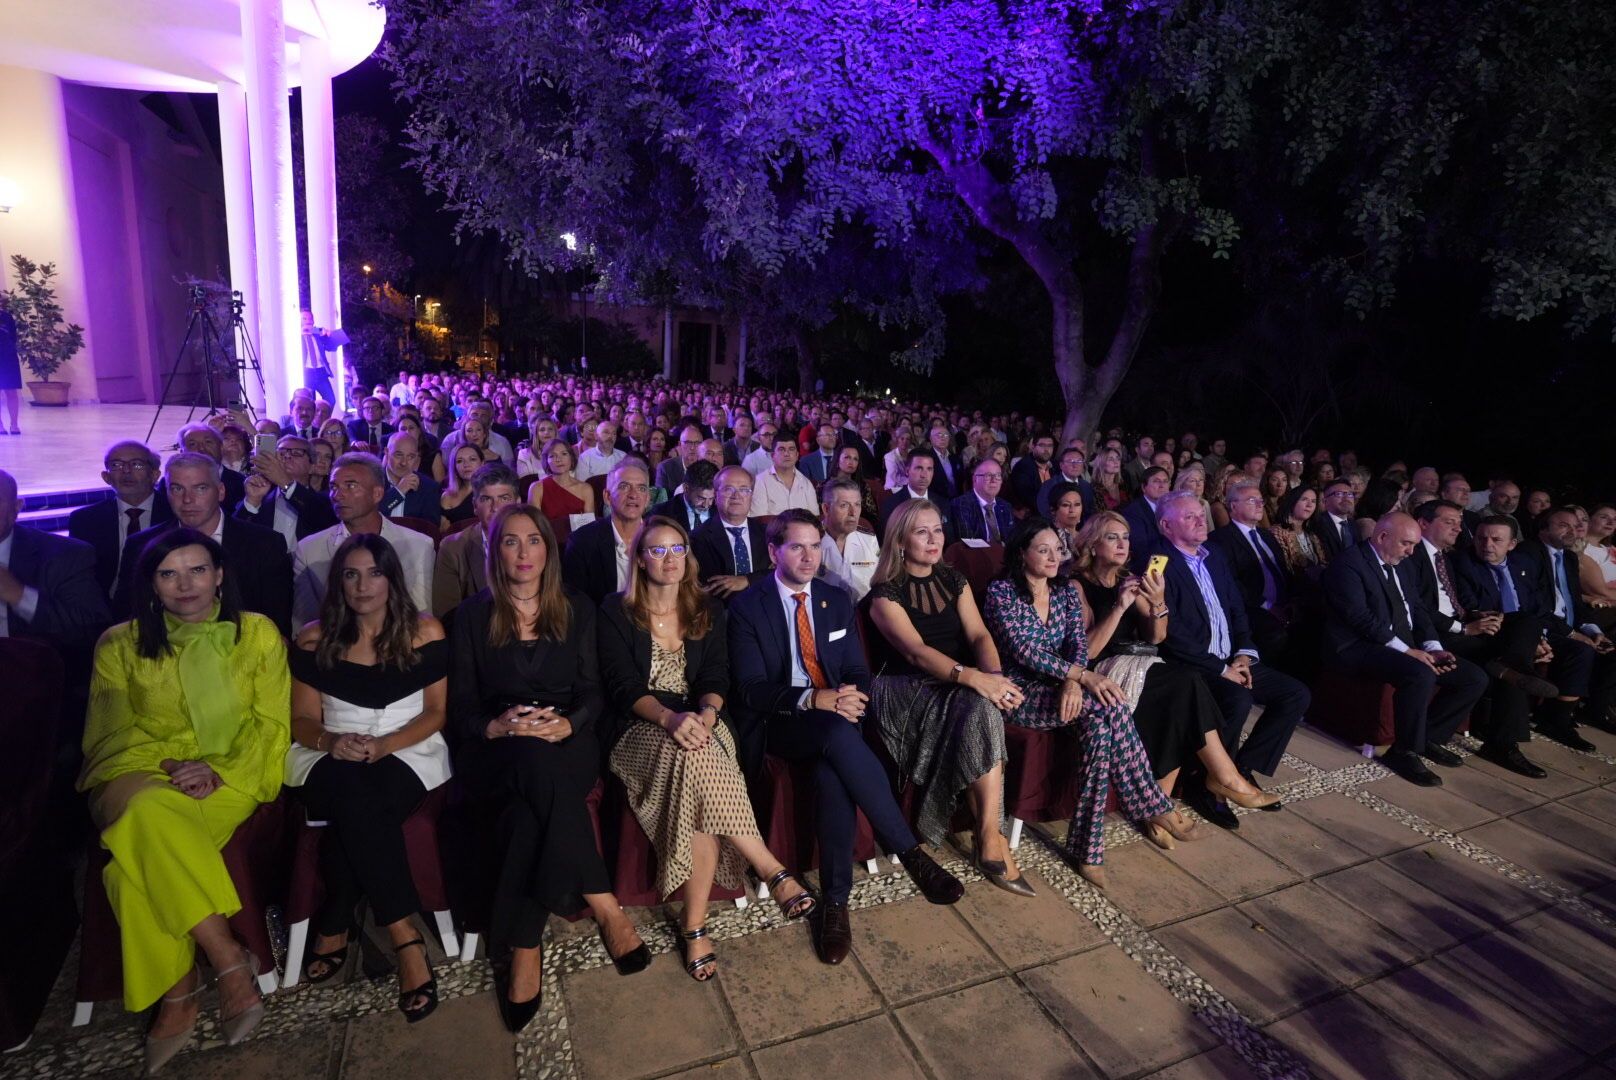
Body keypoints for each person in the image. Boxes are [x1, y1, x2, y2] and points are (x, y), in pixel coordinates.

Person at [79, 530, 286, 1071]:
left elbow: (271, 725)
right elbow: (109, 735)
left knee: (129, 868)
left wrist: (216, 769)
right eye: (168, 574)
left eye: (197, 570)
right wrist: (173, 765)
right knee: (147, 808)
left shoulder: (256, 633)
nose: (184, 584)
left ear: (219, 575)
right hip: (136, 774)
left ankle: (178, 992)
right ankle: (228, 956)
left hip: (230, 775)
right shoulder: (118, 644)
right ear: (151, 584)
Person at [728, 510, 964, 964]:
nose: (809, 556)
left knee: (832, 772)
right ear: (773, 552)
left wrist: (851, 698)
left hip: (835, 717)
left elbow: (856, 668)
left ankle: (835, 905)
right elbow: (751, 689)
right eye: (797, 547)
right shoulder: (747, 607)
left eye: (815, 546)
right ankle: (910, 853)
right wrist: (815, 699)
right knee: (836, 735)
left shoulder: (835, 600)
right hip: (779, 719)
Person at [448, 505, 648, 1032]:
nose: (523, 553)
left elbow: (593, 692)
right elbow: (461, 707)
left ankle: (523, 946)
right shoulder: (470, 616)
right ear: (495, 551)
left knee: (526, 817)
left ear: (549, 550)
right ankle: (605, 905)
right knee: (529, 766)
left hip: (567, 741)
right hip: (497, 747)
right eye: (510, 541)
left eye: (533, 540)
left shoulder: (577, 607)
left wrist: (569, 723)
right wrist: (496, 727)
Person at [598, 517, 817, 979]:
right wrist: (669, 718)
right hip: (641, 723)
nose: (670, 559)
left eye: (677, 549)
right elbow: (621, 686)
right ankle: (769, 870)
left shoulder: (707, 609)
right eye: (657, 550)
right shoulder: (616, 611)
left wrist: (707, 714)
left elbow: (718, 675)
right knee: (694, 758)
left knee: (697, 764)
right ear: (640, 559)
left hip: (702, 717)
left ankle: (695, 925)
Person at [983, 521, 1201, 888]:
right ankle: (1151, 804)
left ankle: (1089, 848)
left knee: (1100, 728)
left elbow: (1078, 645)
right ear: (1022, 554)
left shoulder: (1064, 591)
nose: (1054, 557)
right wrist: (1083, 677)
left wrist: (1073, 680)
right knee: (1109, 704)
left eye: (1058, 549)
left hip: (1064, 686)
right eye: (1043, 550)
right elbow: (1025, 651)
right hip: (1018, 692)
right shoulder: (1001, 592)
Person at [287, 535, 448, 1020]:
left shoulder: (424, 631)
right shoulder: (314, 638)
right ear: (338, 582)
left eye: (374, 573)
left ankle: (338, 913)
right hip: (328, 749)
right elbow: (301, 720)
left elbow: (436, 713)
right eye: (351, 574)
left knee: (359, 800)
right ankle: (404, 934)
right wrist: (332, 741)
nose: (363, 585)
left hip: (408, 746)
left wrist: (386, 744)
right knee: (355, 789)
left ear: (391, 578)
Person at [1069, 511, 1276, 831]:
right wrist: (1119, 607)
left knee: (1184, 693)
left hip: (1143, 661)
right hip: (1105, 669)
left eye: (1125, 538)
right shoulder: (1077, 586)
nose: (1123, 544)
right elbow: (1087, 652)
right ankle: (1221, 777)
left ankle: (1165, 803)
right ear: (1093, 545)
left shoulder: (1127, 579)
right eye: (1112, 538)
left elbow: (1156, 636)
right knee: (1186, 684)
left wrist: (1158, 601)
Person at [866, 499, 1027, 889]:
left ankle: (987, 833)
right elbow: (916, 653)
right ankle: (992, 836)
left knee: (982, 709)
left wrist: (994, 678)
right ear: (900, 541)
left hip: (960, 683)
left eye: (937, 530)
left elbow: (979, 635)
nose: (933, 539)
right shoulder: (885, 595)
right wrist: (975, 679)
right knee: (980, 707)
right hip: (907, 689)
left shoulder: (955, 580)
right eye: (921, 532)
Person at [1150, 491, 1310, 793]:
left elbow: (1237, 608)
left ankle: (1240, 767)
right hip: (1192, 665)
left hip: (1230, 658)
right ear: (1166, 526)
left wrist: (1244, 654)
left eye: (1201, 515)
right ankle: (1203, 785)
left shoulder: (1214, 554)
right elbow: (1171, 633)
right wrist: (1222, 670)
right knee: (1238, 699)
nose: (1201, 521)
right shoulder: (1156, 562)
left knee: (1295, 694)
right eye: (1189, 517)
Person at [1320, 512, 1489, 786]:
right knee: (1419, 673)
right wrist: (1408, 652)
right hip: (1357, 645)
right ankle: (1403, 752)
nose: (1411, 552)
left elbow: (1418, 610)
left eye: (1414, 545)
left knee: (1473, 678)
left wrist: (1433, 646)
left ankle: (1428, 737)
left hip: (1401, 642)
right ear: (1382, 537)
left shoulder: (1403, 564)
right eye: (1406, 544)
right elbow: (1360, 619)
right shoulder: (1349, 564)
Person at [1403, 502, 1551, 778]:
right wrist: (1464, 627)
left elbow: (1455, 601)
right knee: (1506, 664)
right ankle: (1502, 744)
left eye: (1459, 522)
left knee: (1525, 622)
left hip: (1462, 624)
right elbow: (1416, 607)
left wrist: (1475, 616)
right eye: (1450, 522)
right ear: (1424, 523)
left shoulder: (1444, 557)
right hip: (1437, 634)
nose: (1459, 529)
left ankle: (1515, 664)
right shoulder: (1412, 554)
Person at [115, 453, 291, 636]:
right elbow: (127, 620)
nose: (187, 499)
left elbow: (277, 625)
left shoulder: (265, 544)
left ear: (220, 492)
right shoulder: (141, 545)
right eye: (177, 489)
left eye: (200, 488)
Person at [293, 454, 436, 627]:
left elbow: (421, 620)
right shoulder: (309, 550)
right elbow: (305, 625)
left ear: (377, 494)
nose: (338, 495)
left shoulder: (419, 546)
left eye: (351, 485)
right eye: (333, 487)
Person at [1515, 507, 1616, 739]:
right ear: (1543, 529)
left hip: (1567, 624)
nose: (1573, 531)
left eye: (1575, 526)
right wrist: (1573, 634)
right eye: (1563, 525)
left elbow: (1575, 602)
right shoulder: (1529, 552)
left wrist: (1593, 631)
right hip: (1541, 625)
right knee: (1581, 650)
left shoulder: (1568, 557)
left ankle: (1596, 711)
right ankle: (1556, 721)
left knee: (1609, 649)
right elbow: (1534, 605)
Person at [1, 467, 109, 651]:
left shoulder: (65, 556)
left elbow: (91, 629)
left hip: (28, 665)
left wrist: (20, 597)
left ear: (17, 507)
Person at [69, 441, 174, 599]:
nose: (126, 471)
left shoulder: (174, 513)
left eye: (136, 464)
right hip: (106, 607)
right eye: (116, 465)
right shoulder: (85, 520)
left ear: (154, 475)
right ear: (106, 477)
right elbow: (79, 577)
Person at [1208, 478, 1294, 663]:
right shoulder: (1220, 539)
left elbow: (1284, 571)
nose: (1259, 505)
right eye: (1251, 500)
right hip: (1252, 608)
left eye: (1261, 500)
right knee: (1275, 635)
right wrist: (1269, 606)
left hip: (1284, 603)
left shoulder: (1267, 535)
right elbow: (1232, 584)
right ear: (1233, 506)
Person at [432, 463, 522, 618]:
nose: (495, 507)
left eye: (504, 498)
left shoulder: (538, 542)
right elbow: (447, 615)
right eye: (486, 499)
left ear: (517, 503)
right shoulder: (452, 548)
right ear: (475, 505)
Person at [562, 460, 652, 606]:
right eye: (624, 486)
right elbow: (576, 605)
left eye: (641, 488)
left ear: (647, 499)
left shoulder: (662, 539)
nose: (633, 495)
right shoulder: (582, 542)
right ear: (607, 496)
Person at [236, 435, 339, 551]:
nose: (287, 456)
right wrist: (252, 501)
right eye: (281, 452)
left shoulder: (323, 501)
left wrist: (285, 483)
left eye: (297, 453)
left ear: (311, 467)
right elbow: (235, 536)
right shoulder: (260, 495)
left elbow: (322, 518)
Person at [690, 466, 773, 604]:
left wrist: (747, 580)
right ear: (715, 495)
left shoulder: (767, 533)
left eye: (744, 490)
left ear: (751, 496)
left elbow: (784, 572)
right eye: (728, 489)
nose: (736, 496)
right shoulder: (698, 538)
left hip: (765, 607)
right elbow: (709, 587)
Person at [819, 477, 880, 603]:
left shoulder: (869, 539)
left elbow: (879, 584)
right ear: (826, 509)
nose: (853, 513)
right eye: (844, 505)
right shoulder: (811, 541)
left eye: (857, 505)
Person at [878, 448, 952, 539]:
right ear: (907, 471)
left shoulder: (943, 504)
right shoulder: (891, 505)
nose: (924, 475)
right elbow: (887, 542)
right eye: (919, 468)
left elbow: (950, 540)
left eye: (929, 469)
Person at [529, 438, 597, 526]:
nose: (559, 459)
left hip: (579, 534)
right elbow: (535, 525)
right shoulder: (536, 488)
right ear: (546, 461)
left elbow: (590, 526)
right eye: (552, 456)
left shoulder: (586, 489)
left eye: (564, 454)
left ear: (571, 458)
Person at [951, 458, 1016, 544]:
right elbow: (968, 543)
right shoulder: (961, 504)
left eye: (998, 475)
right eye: (988, 475)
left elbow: (1012, 540)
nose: (993, 480)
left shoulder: (1005, 506)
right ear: (975, 479)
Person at [380, 434, 443, 521]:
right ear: (386, 452)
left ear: (417, 457)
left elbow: (430, 527)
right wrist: (398, 492)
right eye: (399, 455)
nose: (404, 463)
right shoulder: (371, 481)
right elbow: (368, 516)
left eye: (411, 457)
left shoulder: (429, 488)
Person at [752, 435, 819, 517]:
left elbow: (815, 517)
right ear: (773, 456)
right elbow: (759, 518)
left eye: (791, 449)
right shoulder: (760, 481)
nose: (787, 454)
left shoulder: (806, 483)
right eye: (781, 449)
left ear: (797, 455)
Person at [648, 460, 718, 532]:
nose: (706, 505)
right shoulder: (662, 514)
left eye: (711, 498)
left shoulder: (720, 511)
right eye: (701, 498)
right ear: (686, 488)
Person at [1270, 485, 1324, 576]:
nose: (1309, 505)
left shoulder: (1313, 535)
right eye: (1304, 499)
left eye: (1313, 501)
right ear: (1292, 502)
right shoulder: (1276, 532)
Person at [1121, 467, 1170, 559]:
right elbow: (1140, 548)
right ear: (1144, 487)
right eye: (1156, 481)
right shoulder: (1132, 512)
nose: (1162, 485)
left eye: (1165, 481)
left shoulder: (1173, 507)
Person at [1036, 445, 1096, 519]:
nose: (1075, 465)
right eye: (1070, 461)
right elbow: (1045, 512)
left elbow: (1090, 511)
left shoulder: (1086, 486)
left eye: (1079, 461)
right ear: (1061, 465)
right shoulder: (1050, 485)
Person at [1309, 480, 1358, 562]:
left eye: (1350, 494)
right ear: (1325, 501)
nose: (1346, 498)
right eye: (1339, 494)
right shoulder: (1317, 525)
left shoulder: (1353, 524)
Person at [1009, 433, 1056, 509]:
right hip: (1033, 512)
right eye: (1042, 445)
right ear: (1033, 447)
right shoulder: (1023, 467)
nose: (1046, 449)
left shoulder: (1055, 466)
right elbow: (1027, 498)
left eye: (1050, 446)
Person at [655, 425, 704, 494]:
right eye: (687, 443)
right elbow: (661, 499)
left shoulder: (707, 467)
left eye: (697, 443)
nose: (692, 447)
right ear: (680, 445)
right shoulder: (665, 468)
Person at [0, 303, 22, 434]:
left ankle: (14, 424)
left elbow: (13, 338)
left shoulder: (7, 317)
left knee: (11, 391)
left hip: (8, 357)